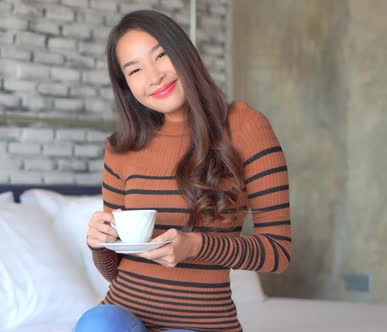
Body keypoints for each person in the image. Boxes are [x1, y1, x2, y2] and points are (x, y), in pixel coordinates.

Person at [74, 9, 292, 332]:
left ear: (183, 53)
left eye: (160, 55)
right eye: (135, 70)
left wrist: (196, 246)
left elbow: (278, 252)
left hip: (203, 325)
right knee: (97, 324)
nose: (155, 77)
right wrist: (99, 243)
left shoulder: (245, 126)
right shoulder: (120, 147)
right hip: (123, 317)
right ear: (127, 85)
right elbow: (115, 269)